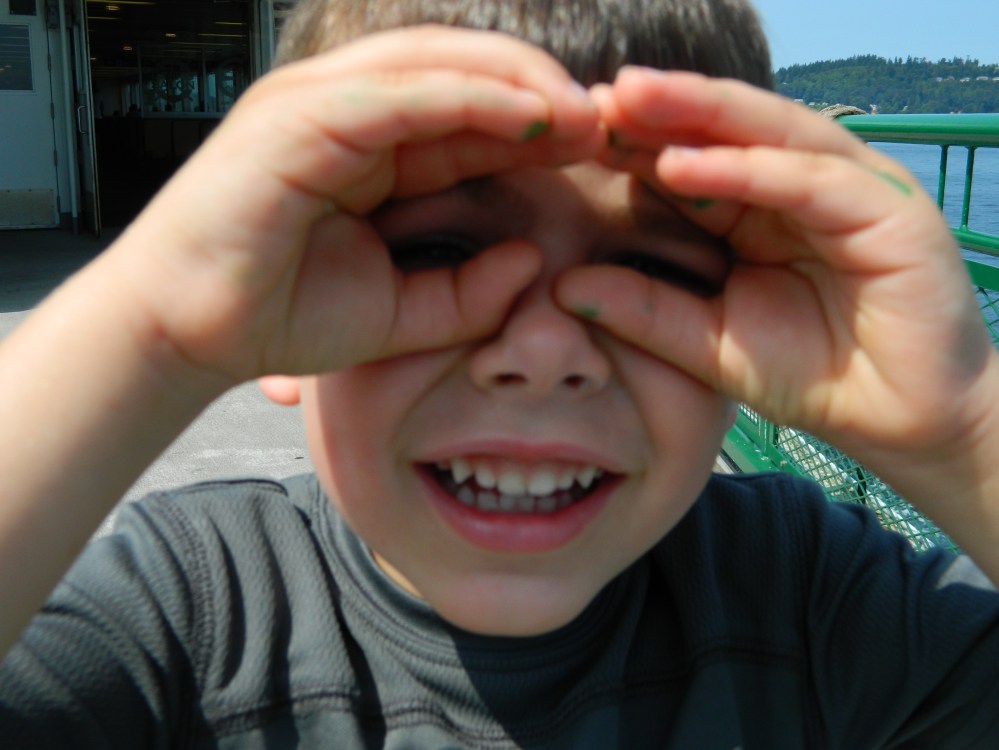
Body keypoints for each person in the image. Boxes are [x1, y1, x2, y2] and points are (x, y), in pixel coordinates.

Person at [2, 0, 999, 745]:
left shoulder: (816, 597)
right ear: (279, 325)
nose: (545, 353)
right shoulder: (189, 613)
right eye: (435, 252)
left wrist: (964, 430)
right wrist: (150, 330)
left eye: (654, 271)